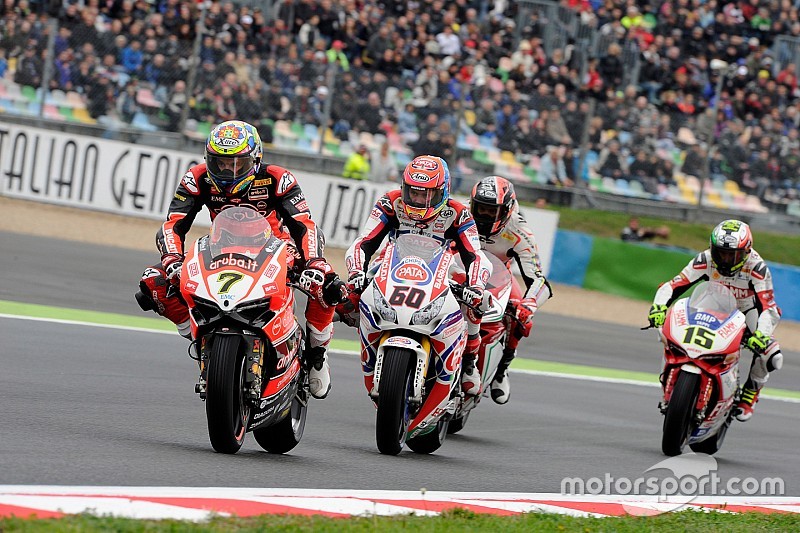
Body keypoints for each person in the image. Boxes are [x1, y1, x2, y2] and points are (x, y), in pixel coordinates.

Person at [136, 120, 347, 400]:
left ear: (255, 158)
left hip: (276, 246)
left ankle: (318, 355)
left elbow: (305, 226)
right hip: (220, 246)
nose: (227, 171)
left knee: (328, 283)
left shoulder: (277, 178)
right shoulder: (196, 178)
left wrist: (314, 263)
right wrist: (173, 259)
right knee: (154, 282)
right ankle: (200, 341)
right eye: (220, 162)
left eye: (237, 164)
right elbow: (173, 224)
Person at [344, 155, 491, 396]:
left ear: (442, 192)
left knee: (475, 302)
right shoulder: (390, 203)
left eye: (427, 194)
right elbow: (364, 243)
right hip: (394, 264)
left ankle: (469, 362)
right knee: (346, 298)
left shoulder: (459, 213)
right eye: (413, 193)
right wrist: (356, 273)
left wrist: (476, 286)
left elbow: (475, 256)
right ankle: (316, 357)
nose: (419, 200)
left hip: (442, 268)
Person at [648, 220, 783, 421]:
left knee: (771, 355)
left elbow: (768, 308)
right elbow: (674, 284)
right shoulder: (705, 258)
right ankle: (671, 379)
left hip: (746, 312)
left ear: (746, 251)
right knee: (667, 332)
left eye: (733, 254)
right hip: (712, 303)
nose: (726, 259)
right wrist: (659, 306)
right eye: (721, 252)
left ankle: (751, 393)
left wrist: (761, 335)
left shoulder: (757, 268)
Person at [469, 176, 553, 404]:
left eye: (490, 211)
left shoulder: (519, 231)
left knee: (523, 319)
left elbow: (538, 280)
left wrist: (529, 304)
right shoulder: (461, 215)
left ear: (506, 210)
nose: (483, 215)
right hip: (460, 271)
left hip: (498, 278)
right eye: (480, 208)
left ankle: (501, 368)